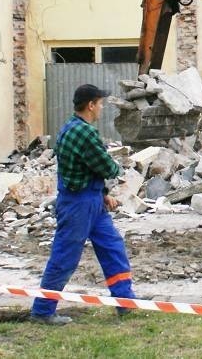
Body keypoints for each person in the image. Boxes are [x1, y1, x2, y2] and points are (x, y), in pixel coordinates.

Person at [30, 84, 136, 325]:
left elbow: (86, 169)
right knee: (65, 257)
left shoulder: (70, 126)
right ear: (90, 105)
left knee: (112, 247)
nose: (101, 109)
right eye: (99, 104)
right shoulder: (84, 133)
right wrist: (117, 168)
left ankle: (125, 301)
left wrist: (102, 194)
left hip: (90, 200)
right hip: (78, 204)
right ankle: (42, 311)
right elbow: (107, 167)